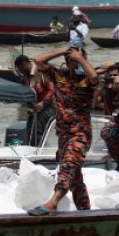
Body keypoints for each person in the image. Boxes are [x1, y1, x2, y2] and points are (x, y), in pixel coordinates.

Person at [26, 45, 99, 215]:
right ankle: (85, 210)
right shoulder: (60, 76)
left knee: (68, 167)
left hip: (80, 134)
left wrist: (80, 58)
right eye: (69, 60)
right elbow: (37, 60)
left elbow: (95, 77)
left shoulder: (86, 79)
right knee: (75, 177)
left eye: (74, 60)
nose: (71, 63)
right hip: (63, 134)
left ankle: (53, 203)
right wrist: (62, 51)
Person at [14, 53, 55, 147]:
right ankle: (33, 149)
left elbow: (52, 89)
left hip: (48, 108)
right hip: (35, 110)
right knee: (30, 130)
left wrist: (43, 103)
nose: (20, 71)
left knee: (37, 130)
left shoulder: (41, 75)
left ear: (25, 64)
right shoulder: (25, 78)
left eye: (20, 68)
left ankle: (42, 149)